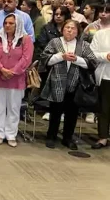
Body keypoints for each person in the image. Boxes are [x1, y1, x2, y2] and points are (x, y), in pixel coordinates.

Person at [39, 19, 98, 150]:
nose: (70, 30)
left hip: (76, 84)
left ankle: (68, 138)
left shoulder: (83, 45)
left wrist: (77, 59)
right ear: (62, 29)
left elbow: (92, 63)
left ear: (78, 32)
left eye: (73, 28)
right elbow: (45, 60)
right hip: (57, 82)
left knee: (72, 113)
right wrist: (61, 57)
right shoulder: (55, 42)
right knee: (55, 111)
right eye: (67, 28)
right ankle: (51, 136)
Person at [0, 14, 34, 146]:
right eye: (5, 23)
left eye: (11, 23)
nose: (7, 25)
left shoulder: (26, 39)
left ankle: (11, 134)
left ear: (17, 24)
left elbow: (26, 59)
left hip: (16, 79)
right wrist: (2, 69)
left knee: (14, 108)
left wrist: (12, 72)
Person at [90, 5, 110, 149]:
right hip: (105, 75)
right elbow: (92, 54)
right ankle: (103, 137)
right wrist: (106, 56)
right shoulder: (101, 34)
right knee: (104, 108)